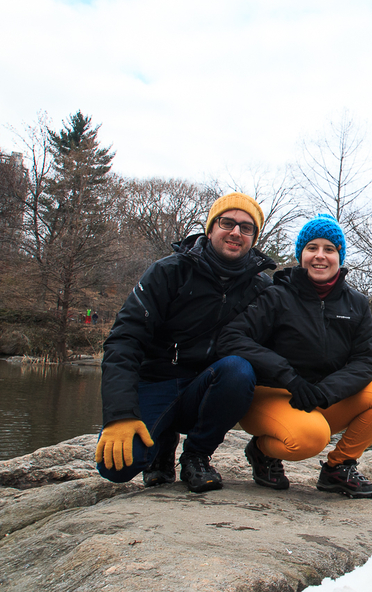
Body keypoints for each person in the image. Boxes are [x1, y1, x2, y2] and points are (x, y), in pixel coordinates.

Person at [95, 193, 276, 493]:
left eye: (246, 228)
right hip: (155, 382)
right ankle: (161, 446)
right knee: (116, 467)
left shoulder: (262, 288)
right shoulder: (168, 271)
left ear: (254, 238)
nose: (235, 232)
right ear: (210, 229)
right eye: (227, 222)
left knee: (240, 370)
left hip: (207, 388)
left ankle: (196, 455)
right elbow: (123, 341)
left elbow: (280, 348)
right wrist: (120, 415)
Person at [217, 214, 372, 498]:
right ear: (300, 254)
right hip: (271, 396)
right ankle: (261, 451)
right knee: (311, 438)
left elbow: (367, 360)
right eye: (312, 248)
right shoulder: (277, 295)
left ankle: (338, 469)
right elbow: (231, 338)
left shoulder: (356, 303)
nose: (320, 256)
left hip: (317, 398)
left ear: (339, 257)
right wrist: (289, 377)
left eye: (329, 249)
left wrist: (324, 393)